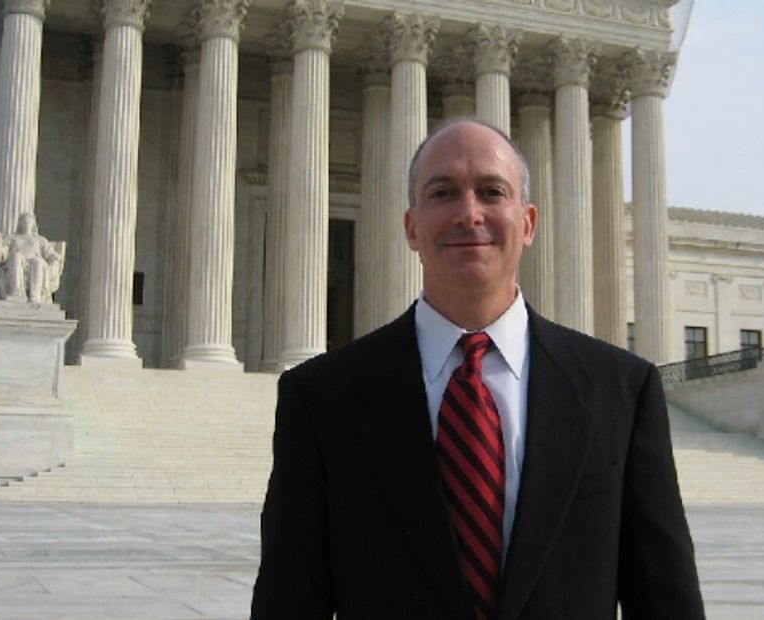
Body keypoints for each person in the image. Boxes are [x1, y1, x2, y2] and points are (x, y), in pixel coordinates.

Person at [250, 119, 705, 619]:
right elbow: (289, 598)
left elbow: (664, 597)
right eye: (443, 193)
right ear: (411, 227)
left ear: (528, 223)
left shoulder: (621, 390)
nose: (469, 214)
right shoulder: (321, 397)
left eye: (492, 191)